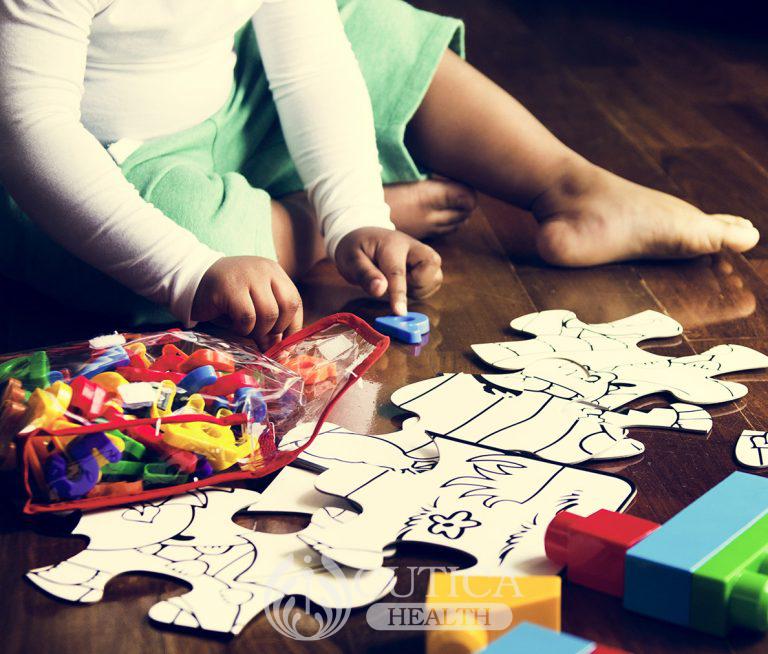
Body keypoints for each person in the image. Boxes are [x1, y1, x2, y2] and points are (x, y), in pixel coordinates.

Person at [0, 0, 758, 351]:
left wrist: (358, 210)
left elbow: (310, 70)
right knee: (150, 248)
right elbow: (33, 134)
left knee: (369, 23)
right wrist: (187, 269)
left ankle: (568, 185)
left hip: (229, 106)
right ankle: (297, 227)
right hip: (88, 162)